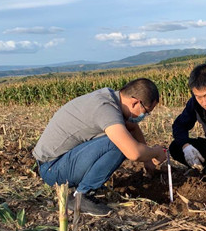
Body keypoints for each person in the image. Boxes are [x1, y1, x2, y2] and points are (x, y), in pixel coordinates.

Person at [33, 78, 167, 217]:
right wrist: (154, 152)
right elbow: (133, 153)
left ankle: (83, 185)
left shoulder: (110, 99)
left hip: (58, 161)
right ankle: (81, 196)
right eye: (145, 112)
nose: (144, 116)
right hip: (52, 169)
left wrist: (147, 160)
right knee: (118, 143)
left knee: (121, 137)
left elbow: (132, 127)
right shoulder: (105, 109)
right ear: (135, 102)